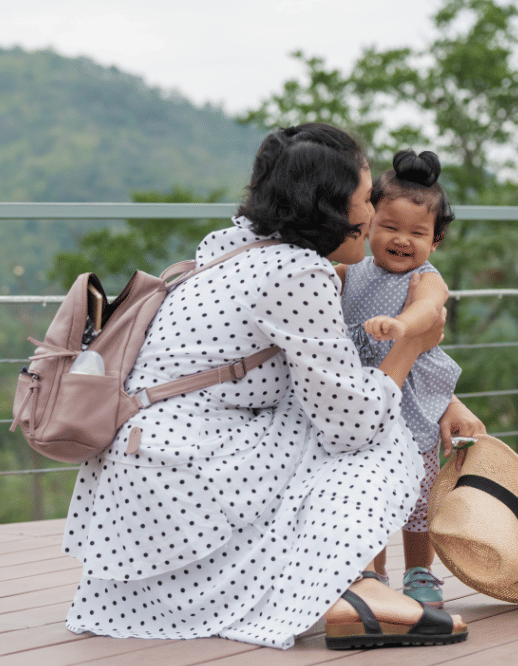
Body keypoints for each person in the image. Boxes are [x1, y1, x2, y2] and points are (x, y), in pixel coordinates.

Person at [62, 123, 470, 650]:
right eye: (367, 199)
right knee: (381, 435)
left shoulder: (232, 247)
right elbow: (353, 424)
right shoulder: (297, 275)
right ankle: (357, 593)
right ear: (330, 207)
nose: (374, 215)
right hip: (184, 483)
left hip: (143, 485)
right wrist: (410, 347)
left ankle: (350, 582)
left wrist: (441, 393)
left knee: (341, 410)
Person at [335, 149, 486, 608]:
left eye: (417, 232)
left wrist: (403, 326)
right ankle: (371, 571)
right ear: (369, 225)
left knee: (419, 499)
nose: (402, 240)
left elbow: (430, 306)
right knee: (368, 495)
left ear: (435, 241)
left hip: (413, 407)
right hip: (362, 402)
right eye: (390, 227)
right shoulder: (350, 272)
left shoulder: (425, 278)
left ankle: (420, 571)